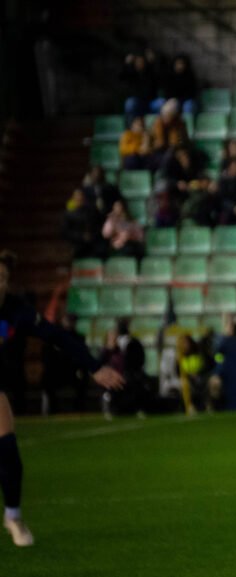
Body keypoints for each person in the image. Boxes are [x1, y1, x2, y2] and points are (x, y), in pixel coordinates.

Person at [0, 250, 125, 546]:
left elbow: (58, 337)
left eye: (2, 278)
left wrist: (94, 367)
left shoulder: (17, 311)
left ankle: (13, 516)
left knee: (7, 450)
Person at [62, 189, 104, 258]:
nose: (79, 198)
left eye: (81, 196)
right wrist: (81, 236)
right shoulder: (69, 214)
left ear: (84, 198)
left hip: (93, 241)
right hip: (77, 243)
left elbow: (99, 225)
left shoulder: (92, 211)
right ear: (73, 198)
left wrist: (92, 236)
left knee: (101, 250)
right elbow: (64, 232)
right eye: (77, 196)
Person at [120, 53, 160, 120]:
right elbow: (122, 77)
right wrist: (127, 64)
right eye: (138, 61)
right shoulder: (131, 73)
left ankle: (158, 125)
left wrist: (152, 63)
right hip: (137, 102)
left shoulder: (150, 72)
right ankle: (130, 125)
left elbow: (159, 78)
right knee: (129, 103)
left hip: (151, 102)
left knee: (161, 103)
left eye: (141, 61)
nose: (140, 63)